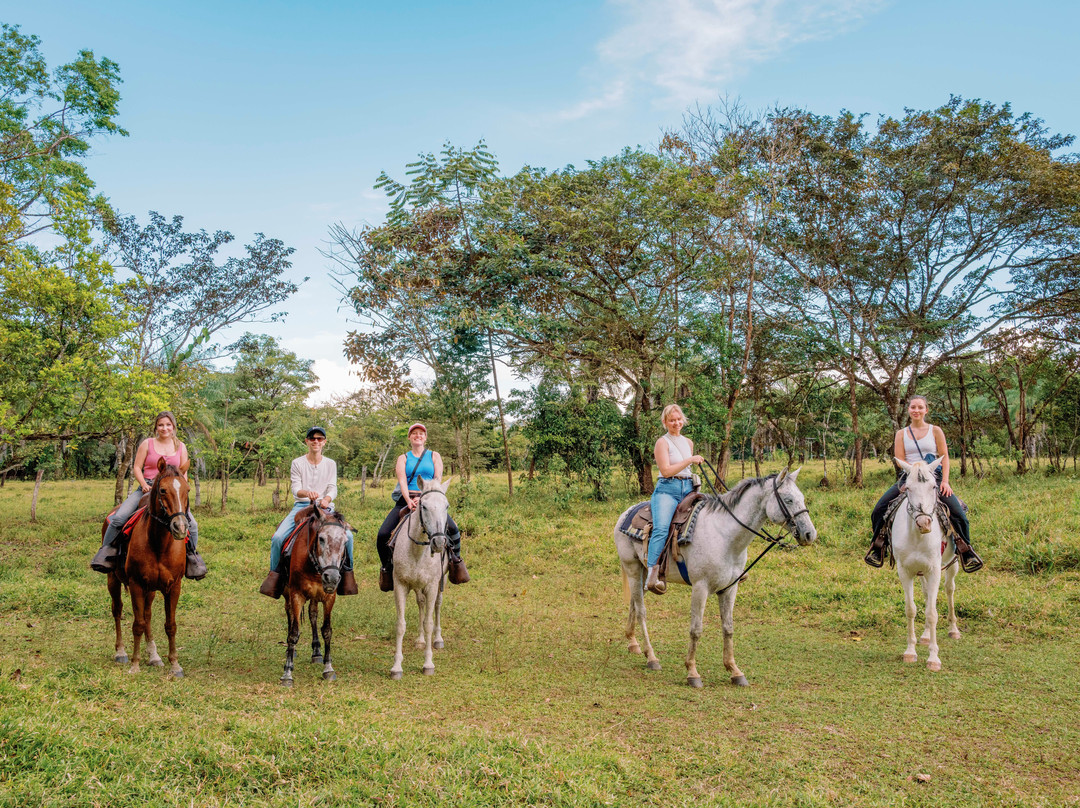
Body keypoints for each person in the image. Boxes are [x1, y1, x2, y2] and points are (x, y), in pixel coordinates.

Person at [866, 395, 983, 573]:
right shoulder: (901, 434)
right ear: (908, 410)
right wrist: (914, 472)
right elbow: (900, 460)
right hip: (909, 477)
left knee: (958, 513)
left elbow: (945, 457)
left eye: (920, 407)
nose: (916, 410)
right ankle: (879, 546)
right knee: (879, 510)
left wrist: (945, 481)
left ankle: (965, 549)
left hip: (932, 478)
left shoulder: (935, 431)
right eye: (913, 407)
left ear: (926, 410)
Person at [91, 411, 207, 580]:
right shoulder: (147, 444)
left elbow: (183, 472)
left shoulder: (180, 446)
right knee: (119, 518)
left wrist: (181, 490)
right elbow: (137, 467)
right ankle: (106, 552)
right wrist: (144, 484)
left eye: (168, 425)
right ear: (156, 427)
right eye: (161, 425)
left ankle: (192, 558)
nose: (164, 428)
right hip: (148, 488)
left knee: (193, 525)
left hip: (172, 492)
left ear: (173, 427)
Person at [259, 426, 357, 597]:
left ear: (324, 442)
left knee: (348, 537)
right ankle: (275, 576)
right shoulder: (297, 463)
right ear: (307, 441)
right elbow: (296, 488)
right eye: (312, 439)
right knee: (278, 538)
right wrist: (307, 493)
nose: (316, 442)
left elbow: (332, 488)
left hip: (326, 508)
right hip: (302, 506)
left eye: (320, 439)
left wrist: (326, 500)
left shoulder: (330, 464)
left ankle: (347, 574)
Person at [375, 423, 469, 591]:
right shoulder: (403, 458)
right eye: (414, 433)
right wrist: (409, 500)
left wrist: (423, 497)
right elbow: (402, 480)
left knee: (453, 529)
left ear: (425, 437)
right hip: (407, 500)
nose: (418, 436)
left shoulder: (434, 456)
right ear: (410, 438)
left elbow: (437, 478)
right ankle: (387, 568)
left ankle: (456, 561)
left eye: (421, 433)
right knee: (383, 534)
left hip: (430, 499)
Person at [645, 404, 703, 595]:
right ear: (665, 422)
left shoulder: (688, 442)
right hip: (667, 490)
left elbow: (687, 469)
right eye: (672, 420)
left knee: (709, 518)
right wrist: (690, 460)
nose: (676, 423)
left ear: (683, 420)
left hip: (688, 487)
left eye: (679, 419)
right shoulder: (662, 442)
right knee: (661, 528)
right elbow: (666, 470)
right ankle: (652, 575)